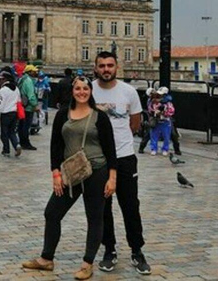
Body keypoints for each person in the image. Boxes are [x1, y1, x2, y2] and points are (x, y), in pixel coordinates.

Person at [22, 76, 117, 280]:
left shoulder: (100, 116)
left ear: (91, 91)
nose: (81, 92)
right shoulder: (63, 114)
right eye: (78, 88)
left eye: (85, 88)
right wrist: (55, 173)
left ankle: (87, 263)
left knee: (94, 217)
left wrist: (112, 177)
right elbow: (56, 146)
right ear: (72, 91)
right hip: (70, 174)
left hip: (97, 171)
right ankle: (47, 258)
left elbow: (110, 149)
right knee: (52, 213)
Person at [92, 51, 151, 275]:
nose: (106, 69)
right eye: (102, 66)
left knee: (130, 206)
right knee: (103, 207)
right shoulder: (89, 90)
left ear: (116, 67)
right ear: (96, 68)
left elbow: (135, 123)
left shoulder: (129, 92)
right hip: (99, 158)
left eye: (110, 65)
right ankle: (110, 249)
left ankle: (137, 250)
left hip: (125, 157)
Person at [0, 70, 21, 157]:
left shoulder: (3, 90)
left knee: (4, 133)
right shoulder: (16, 89)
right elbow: (19, 101)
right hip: (15, 113)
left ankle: (6, 150)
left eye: (0, 79)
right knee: (12, 132)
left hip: (5, 114)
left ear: (4, 79)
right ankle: (16, 145)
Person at [17, 64, 39, 150]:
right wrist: (35, 105)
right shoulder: (29, 81)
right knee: (26, 126)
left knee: (21, 125)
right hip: (28, 107)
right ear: (30, 72)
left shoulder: (22, 79)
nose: (36, 72)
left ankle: (21, 141)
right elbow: (31, 95)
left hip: (22, 105)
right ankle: (25, 143)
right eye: (34, 71)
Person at [148, 87, 175, 156]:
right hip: (156, 121)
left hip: (165, 121)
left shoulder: (168, 103)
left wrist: (164, 113)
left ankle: (165, 149)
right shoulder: (153, 101)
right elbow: (150, 109)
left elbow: (172, 111)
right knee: (154, 135)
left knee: (166, 136)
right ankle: (153, 149)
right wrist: (155, 112)